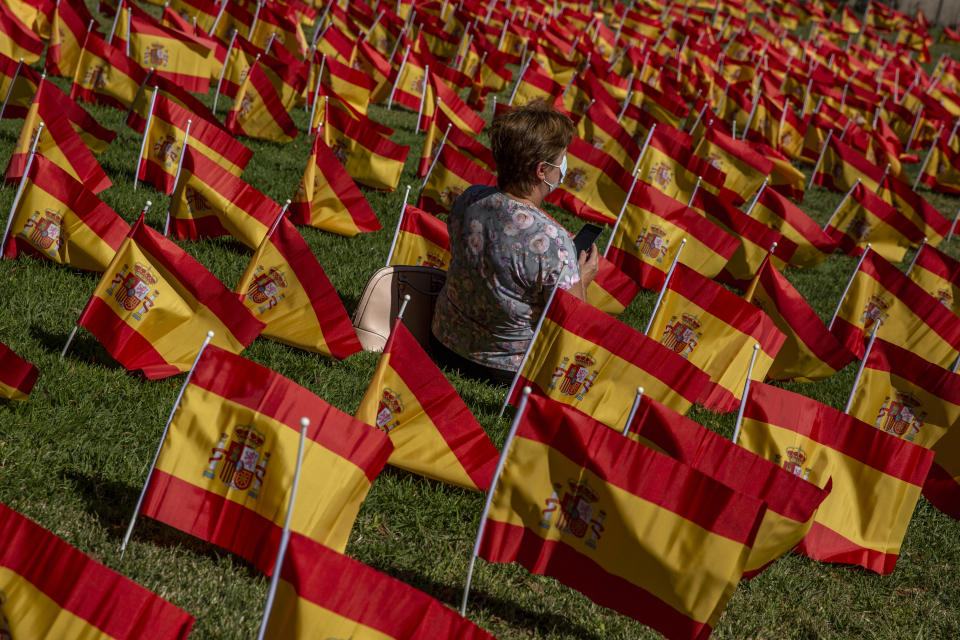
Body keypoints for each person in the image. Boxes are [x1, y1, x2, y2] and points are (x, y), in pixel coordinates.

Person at [431, 103, 599, 385]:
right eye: (562, 158)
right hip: (503, 370)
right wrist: (582, 279)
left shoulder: (470, 198)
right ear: (542, 170)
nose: (565, 165)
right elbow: (574, 325)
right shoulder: (553, 242)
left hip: (442, 341)